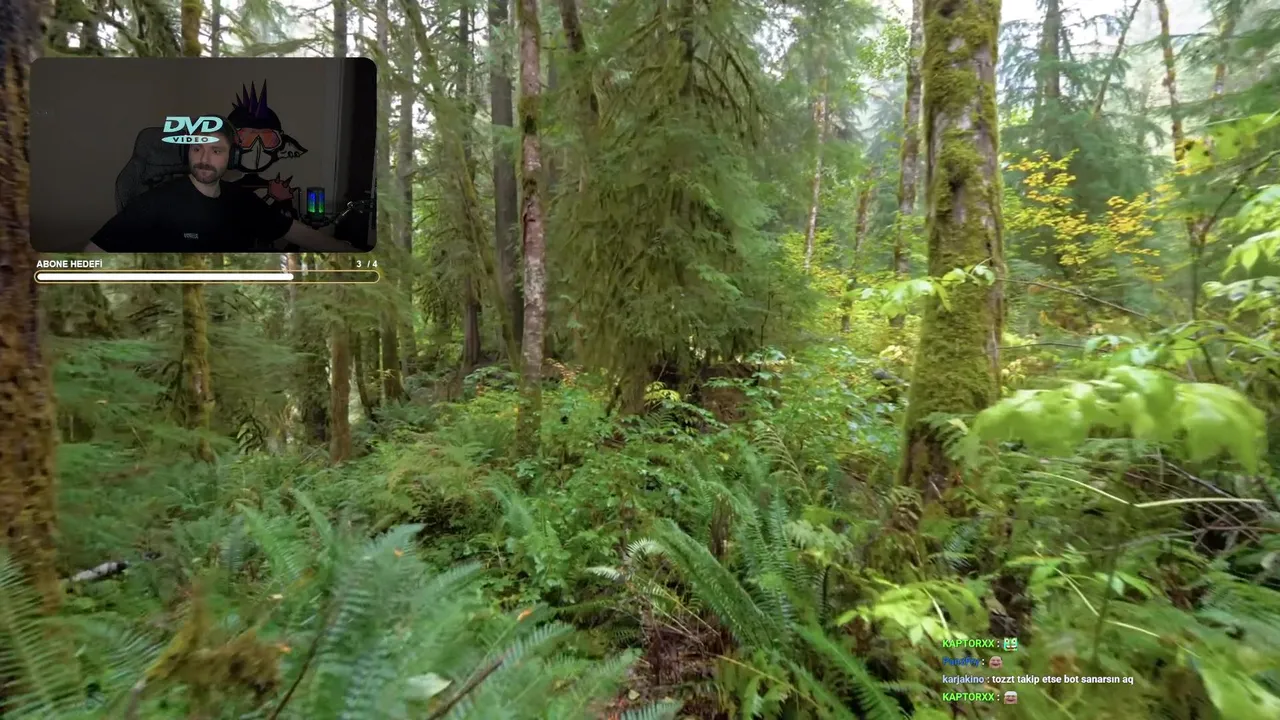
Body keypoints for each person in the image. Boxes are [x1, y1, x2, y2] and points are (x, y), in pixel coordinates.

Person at [84, 115, 357, 253]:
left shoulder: (242, 200)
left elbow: (293, 231)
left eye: (216, 151)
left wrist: (345, 251)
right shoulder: (155, 202)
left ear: (232, 158)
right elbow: (93, 251)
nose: (204, 159)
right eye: (197, 149)